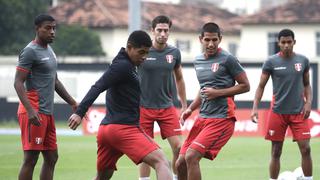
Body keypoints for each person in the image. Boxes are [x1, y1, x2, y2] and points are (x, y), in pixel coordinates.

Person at [68, 30, 172, 180]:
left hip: (106, 132)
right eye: (141, 52)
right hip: (124, 130)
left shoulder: (125, 64)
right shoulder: (122, 66)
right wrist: (79, 112)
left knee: (102, 177)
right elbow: (98, 86)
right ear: (129, 47)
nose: (144, 57)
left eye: (147, 53)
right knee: (162, 162)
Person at [175, 22, 250, 180]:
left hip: (222, 119)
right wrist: (190, 109)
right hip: (202, 118)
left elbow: (245, 86)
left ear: (220, 39)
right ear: (200, 39)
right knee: (180, 163)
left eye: (214, 40)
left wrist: (218, 93)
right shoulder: (198, 61)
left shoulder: (228, 59)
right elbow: (203, 89)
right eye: (207, 40)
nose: (211, 44)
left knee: (191, 157)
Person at [14, 14, 78, 180]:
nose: (52, 32)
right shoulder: (29, 51)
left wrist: (72, 101)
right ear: (37, 29)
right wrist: (29, 110)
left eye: (54, 28)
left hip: (47, 113)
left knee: (51, 157)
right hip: (34, 112)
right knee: (31, 159)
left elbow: (55, 81)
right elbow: (18, 83)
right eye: (48, 28)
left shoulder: (50, 51)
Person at [251, 29, 313, 180]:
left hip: (298, 111)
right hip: (278, 112)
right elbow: (260, 86)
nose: (286, 45)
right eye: (283, 42)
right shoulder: (271, 62)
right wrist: (255, 108)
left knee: (306, 149)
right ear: (278, 43)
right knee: (276, 151)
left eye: (289, 42)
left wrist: (308, 103)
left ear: (294, 42)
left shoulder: (302, 61)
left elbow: (307, 84)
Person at [138, 15, 187, 180]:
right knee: (146, 151)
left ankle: (174, 177)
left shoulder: (174, 52)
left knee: (179, 148)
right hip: (143, 107)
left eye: (166, 30)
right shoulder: (141, 51)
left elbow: (179, 78)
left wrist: (184, 105)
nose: (163, 34)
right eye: (159, 30)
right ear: (152, 31)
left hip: (167, 107)